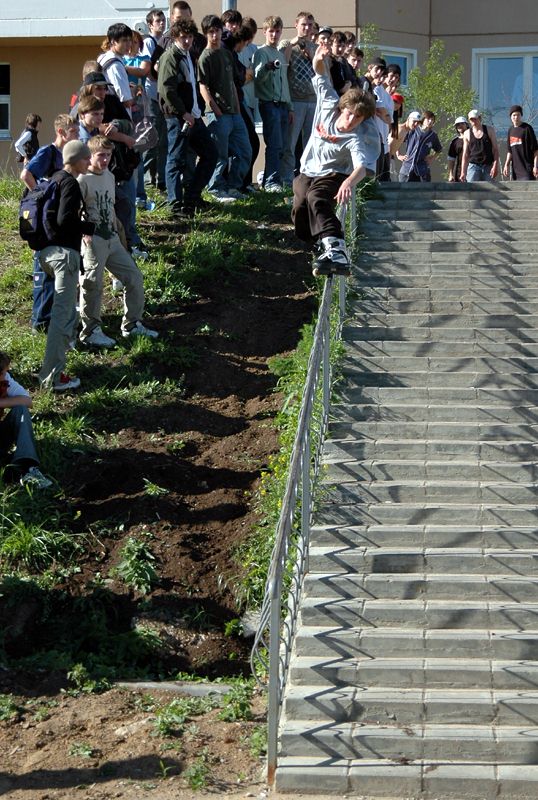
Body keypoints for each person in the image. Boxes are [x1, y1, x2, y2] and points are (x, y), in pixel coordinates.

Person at [292, 41, 378, 276]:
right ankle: (318, 244)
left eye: (357, 119)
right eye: (349, 114)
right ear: (342, 109)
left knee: (317, 197)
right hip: (309, 169)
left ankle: (337, 249)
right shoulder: (329, 103)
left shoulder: (355, 138)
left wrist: (349, 182)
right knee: (300, 205)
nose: (350, 122)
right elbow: (320, 74)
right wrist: (319, 58)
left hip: (336, 173)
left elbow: (361, 166)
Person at [78, 135, 158, 347]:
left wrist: (121, 236)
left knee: (134, 277)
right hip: (92, 241)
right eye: (100, 155)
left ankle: (131, 325)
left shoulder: (109, 176)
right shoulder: (82, 180)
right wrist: (83, 235)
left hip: (112, 237)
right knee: (92, 285)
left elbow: (112, 208)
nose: (105, 160)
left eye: (108, 155)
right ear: (90, 156)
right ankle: (90, 332)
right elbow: (73, 212)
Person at [37, 140, 95, 391]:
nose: (89, 162)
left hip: (46, 254)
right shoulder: (70, 182)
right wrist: (88, 227)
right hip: (64, 256)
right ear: (75, 159)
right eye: (86, 158)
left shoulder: (54, 178)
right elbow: (64, 220)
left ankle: (61, 357)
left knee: (68, 314)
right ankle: (52, 377)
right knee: (61, 318)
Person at [20, 114, 80, 335]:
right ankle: (40, 321)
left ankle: (53, 315)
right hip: (43, 219)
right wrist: (43, 197)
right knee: (44, 270)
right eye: (73, 132)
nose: (78, 135)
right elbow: (26, 174)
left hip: (58, 219)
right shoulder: (49, 152)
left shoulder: (69, 155)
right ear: (61, 132)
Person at [158, 18, 217, 214]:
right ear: (175, 37)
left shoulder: (188, 55)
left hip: (193, 116)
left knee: (210, 154)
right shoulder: (171, 56)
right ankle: (175, 205)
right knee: (176, 160)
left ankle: (192, 197)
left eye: (190, 37)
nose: (187, 40)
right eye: (183, 37)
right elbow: (166, 89)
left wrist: (193, 112)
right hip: (178, 117)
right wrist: (183, 113)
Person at [198, 15, 251, 202]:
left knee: (244, 151)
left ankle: (233, 186)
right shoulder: (205, 57)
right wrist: (215, 110)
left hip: (234, 112)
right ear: (206, 34)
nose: (215, 35)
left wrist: (237, 108)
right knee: (219, 154)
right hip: (217, 114)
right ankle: (215, 189)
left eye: (217, 31)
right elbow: (203, 87)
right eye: (211, 32)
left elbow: (232, 83)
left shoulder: (227, 54)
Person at [0, 351, 52, 490]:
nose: (6, 375)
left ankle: (26, 466)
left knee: (21, 410)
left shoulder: (5, 380)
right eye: (4, 373)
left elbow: (26, 401)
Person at [253, 15, 292, 192]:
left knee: (282, 146)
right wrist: (267, 67)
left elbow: (285, 83)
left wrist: (290, 107)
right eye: (271, 31)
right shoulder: (261, 52)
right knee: (274, 145)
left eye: (277, 31)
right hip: (269, 104)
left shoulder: (280, 54)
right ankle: (270, 182)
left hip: (283, 105)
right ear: (264, 32)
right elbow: (257, 79)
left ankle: (275, 179)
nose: (274, 35)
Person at [278, 11, 317, 187]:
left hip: (313, 101)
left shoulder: (315, 47)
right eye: (303, 24)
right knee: (290, 144)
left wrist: (312, 55)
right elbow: (282, 68)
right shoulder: (288, 45)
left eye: (309, 25)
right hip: (295, 100)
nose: (306, 28)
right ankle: (286, 179)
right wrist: (293, 44)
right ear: (296, 25)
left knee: (311, 144)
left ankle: (308, 180)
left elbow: (323, 72)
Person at [141, 8, 167, 193]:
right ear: (150, 24)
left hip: (162, 97)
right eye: (158, 21)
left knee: (163, 141)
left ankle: (159, 180)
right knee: (151, 140)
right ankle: (145, 181)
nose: (162, 23)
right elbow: (149, 71)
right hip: (152, 96)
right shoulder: (149, 43)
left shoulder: (164, 41)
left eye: (163, 20)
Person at [398, 110, 442, 182]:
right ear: (423, 119)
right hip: (407, 169)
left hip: (422, 171)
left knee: (424, 189)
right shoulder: (412, 130)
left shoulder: (433, 136)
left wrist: (432, 158)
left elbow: (439, 149)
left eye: (432, 120)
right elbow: (397, 140)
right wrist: (398, 155)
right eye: (428, 119)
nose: (430, 121)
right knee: (403, 188)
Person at [460, 109, 499, 182]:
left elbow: (495, 149)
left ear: (480, 118)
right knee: (472, 188)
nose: (473, 121)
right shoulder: (467, 133)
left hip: (488, 166)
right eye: (471, 119)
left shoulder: (489, 130)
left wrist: (495, 165)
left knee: (490, 188)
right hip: (473, 166)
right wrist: (463, 172)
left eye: (475, 119)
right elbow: (465, 154)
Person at [503, 105, 538, 181]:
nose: (516, 117)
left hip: (527, 169)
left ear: (521, 115)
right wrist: (506, 165)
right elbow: (510, 151)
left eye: (518, 115)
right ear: (510, 117)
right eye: (514, 115)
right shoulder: (510, 130)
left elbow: (535, 150)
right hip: (516, 171)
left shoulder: (527, 128)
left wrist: (535, 166)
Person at [447, 116, 468, 182]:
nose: (460, 126)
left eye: (462, 123)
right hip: (459, 173)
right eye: (458, 124)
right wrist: (450, 174)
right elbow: (451, 159)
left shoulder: (473, 138)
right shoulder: (455, 142)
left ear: (466, 125)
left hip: (473, 171)